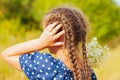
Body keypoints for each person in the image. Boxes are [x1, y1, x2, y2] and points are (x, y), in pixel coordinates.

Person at [1, 6, 97, 80]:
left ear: (55, 36)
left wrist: (39, 43)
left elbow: (6, 54)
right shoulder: (88, 73)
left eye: (45, 32)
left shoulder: (47, 66)